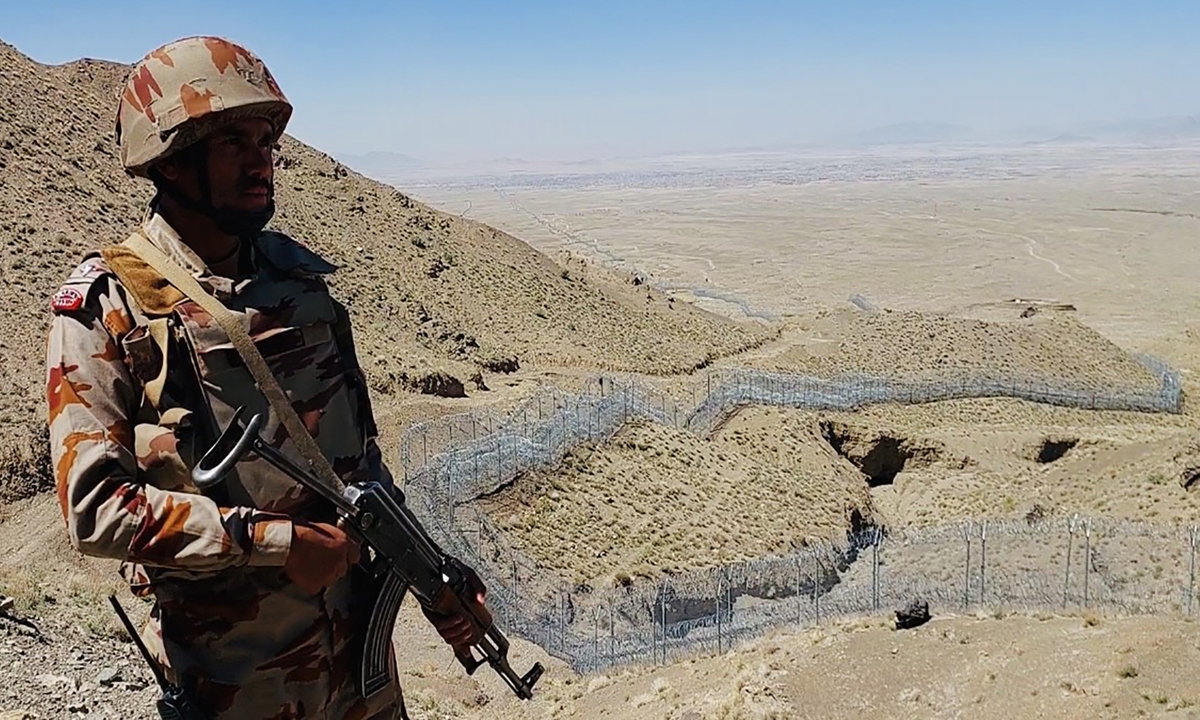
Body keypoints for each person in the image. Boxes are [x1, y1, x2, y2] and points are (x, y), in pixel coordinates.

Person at [45, 35, 486, 719]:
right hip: (239, 683)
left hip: (359, 678)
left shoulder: (299, 287)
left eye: (265, 144)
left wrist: (432, 578)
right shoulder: (110, 305)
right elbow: (95, 511)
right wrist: (277, 545)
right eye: (233, 145)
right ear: (171, 157)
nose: (262, 165)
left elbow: (362, 470)